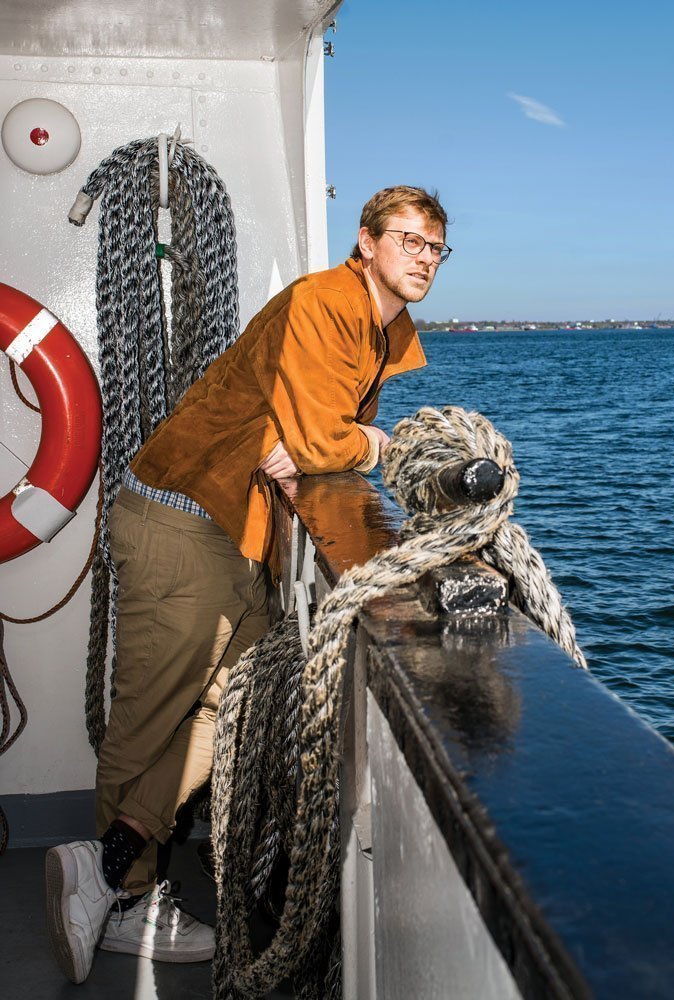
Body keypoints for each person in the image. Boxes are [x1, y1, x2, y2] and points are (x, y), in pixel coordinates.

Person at [44, 185, 451, 984]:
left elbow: (308, 444)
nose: (424, 259)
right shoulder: (324, 301)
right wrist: (368, 440)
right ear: (364, 242)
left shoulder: (377, 325)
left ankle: (110, 857)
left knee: (229, 705)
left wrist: (324, 445)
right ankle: (122, 898)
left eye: (436, 248)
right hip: (184, 519)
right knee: (150, 715)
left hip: (239, 535)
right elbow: (319, 435)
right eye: (408, 241)